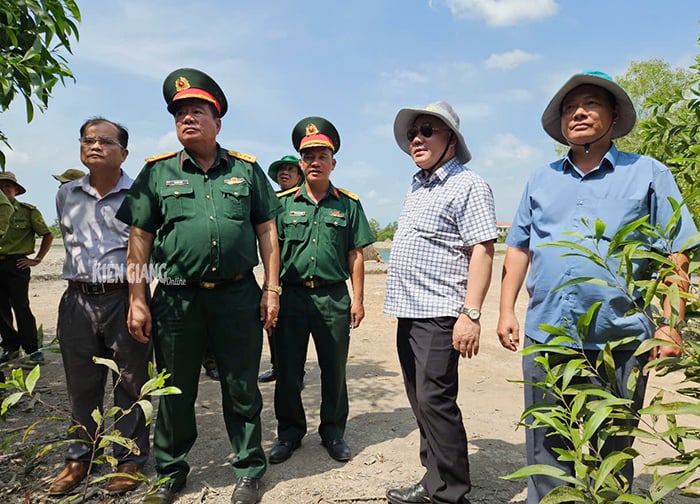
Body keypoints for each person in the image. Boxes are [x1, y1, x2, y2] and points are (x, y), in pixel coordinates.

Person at [496, 71, 698, 503]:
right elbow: (518, 249)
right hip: (548, 334)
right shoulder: (540, 179)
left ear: (615, 115)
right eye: (569, 108)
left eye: (589, 104)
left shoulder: (647, 173)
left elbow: (677, 251)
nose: (578, 113)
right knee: (548, 444)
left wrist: (669, 323)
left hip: (619, 338)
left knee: (614, 447)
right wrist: (505, 311)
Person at [116, 68, 282, 504]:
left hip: (237, 294)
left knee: (241, 384)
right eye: (179, 113)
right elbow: (139, 242)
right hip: (175, 297)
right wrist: (137, 299)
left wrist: (272, 289)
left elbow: (267, 231)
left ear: (218, 121)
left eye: (196, 110)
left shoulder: (246, 170)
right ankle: (171, 471)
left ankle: (248, 468)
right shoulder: (156, 173)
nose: (187, 118)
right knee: (175, 388)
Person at [384, 101, 497, 504]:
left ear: (451, 139)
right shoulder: (418, 184)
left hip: (440, 314)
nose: (417, 138)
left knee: (436, 401)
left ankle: (451, 493)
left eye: (428, 130)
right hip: (410, 313)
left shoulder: (468, 184)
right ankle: (432, 480)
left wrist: (471, 313)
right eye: (414, 132)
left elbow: (482, 250)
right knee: (421, 403)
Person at [48, 118, 152, 496]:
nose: (94, 146)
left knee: (130, 381)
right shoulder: (67, 194)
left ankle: (129, 458)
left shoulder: (139, 194)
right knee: (80, 383)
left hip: (123, 296)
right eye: (87, 140)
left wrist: (138, 301)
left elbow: (142, 252)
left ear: (123, 153)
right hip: (75, 298)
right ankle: (80, 457)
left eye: (105, 141)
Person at [269, 117, 374, 465]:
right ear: (300, 163)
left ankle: (333, 432)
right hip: (292, 297)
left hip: (333, 297)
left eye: (322, 155)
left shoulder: (347, 204)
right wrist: (271, 293)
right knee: (287, 369)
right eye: (308, 155)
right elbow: (272, 252)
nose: (315, 161)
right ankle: (289, 433)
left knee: (334, 369)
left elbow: (356, 255)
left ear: (333, 162)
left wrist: (357, 300)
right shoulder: (282, 204)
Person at [258, 154, 304, 383]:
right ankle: (277, 366)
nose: (284, 173)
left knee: (293, 329)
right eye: (281, 170)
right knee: (270, 323)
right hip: (272, 273)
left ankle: (295, 371)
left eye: (290, 170)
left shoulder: (303, 200)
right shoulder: (272, 201)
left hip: (293, 277)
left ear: (299, 175)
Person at [0, 171, 54, 364]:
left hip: (17, 264)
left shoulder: (27, 211)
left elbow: (47, 235)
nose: (3, 190)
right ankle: (10, 347)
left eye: (7, 186)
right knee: (1, 309)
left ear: (15, 189)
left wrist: (37, 259)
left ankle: (32, 349)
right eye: (0, 187)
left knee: (21, 307)